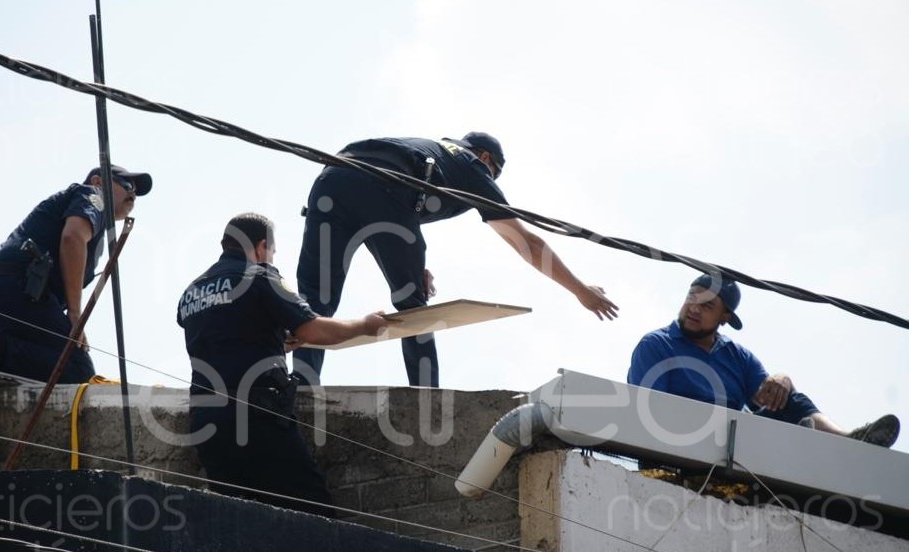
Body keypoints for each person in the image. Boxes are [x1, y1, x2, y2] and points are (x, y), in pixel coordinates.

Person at [294, 132, 619, 388]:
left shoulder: (430, 153)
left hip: (332, 177)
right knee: (412, 308)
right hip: (384, 187)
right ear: (486, 157)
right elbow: (526, 243)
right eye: (494, 175)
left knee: (315, 297)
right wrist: (579, 289)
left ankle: (302, 385)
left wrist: (414, 266)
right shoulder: (471, 165)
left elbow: (394, 211)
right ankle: (427, 397)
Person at [178, 212, 388, 517]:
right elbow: (313, 329)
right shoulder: (260, 275)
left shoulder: (192, 291)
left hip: (207, 423)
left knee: (238, 517)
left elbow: (228, 334)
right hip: (258, 418)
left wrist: (279, 340)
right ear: (261, 247)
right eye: (272, 252)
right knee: (313, 511)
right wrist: (364, 326)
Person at [627, 274, 900, 447]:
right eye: (692, 298)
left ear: (725, 318)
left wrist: (783, 380)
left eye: (708, 306)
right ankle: (797, 441)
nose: (694, 309)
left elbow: (767, 397)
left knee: (787, 397)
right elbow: (650, 416)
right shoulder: (656, 346)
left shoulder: (736, 355)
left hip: (737, 444)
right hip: (681, 444)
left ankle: (849, 443)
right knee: (770, 426)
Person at [0, 164, 152, 383]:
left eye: (135, 190)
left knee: (42, 369)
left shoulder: (88, 220)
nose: (132, 193)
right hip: (19, 290)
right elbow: (72, 238)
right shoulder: (93, 196)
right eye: (126, 184)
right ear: (98, 181)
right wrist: (75, 314)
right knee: (76, 369)